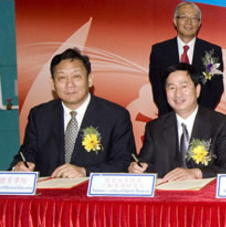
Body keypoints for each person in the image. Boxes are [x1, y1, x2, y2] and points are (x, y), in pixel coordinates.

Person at [10, 48, 134, 177]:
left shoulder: (115, 116)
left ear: (90, 80)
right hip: (50, 194)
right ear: (53, 84)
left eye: (76, 76)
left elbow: (125, 163)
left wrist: (85, 171)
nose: (70, 84)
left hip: (93, 194)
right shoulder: (40, 115)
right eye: (62, 78)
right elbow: (26, 155)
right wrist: (18, 167)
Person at [129, 64, 226, 180]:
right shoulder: (155, 127)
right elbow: (144, 163)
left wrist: (197, 173)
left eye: (184, 86)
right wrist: (136, 168)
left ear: (197, 90)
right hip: (167, 194)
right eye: (172, 88)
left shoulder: (220, 124)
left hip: (203, 195)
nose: (178, 94)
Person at [149, 1, 224, 116]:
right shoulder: (159, 51)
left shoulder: (212, 52)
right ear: (175, 21)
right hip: (168, 117)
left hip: (202, 118)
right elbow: (158, 88)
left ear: (199, 23)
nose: (189, 22)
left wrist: (198, 115)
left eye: (194, 18)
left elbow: (215, 88)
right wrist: (172, 114)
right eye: (183, 17)